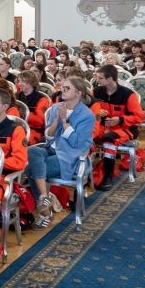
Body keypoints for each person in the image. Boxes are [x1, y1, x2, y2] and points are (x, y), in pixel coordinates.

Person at [25, 77, 95, 228]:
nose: (62, 90)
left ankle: (45, 211)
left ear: (78, 93)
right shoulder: (57, 107)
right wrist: (57, 120)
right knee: (31, 150)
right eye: (62, 87)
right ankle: (45, 198)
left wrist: (65, 121)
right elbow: (49, 136)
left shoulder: (87, 115)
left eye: (67, 88)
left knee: (30, 168)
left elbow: (76, 142)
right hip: (51, 148)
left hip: (70, 155)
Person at [91, 64, 145, 189]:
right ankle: (84, 172)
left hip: (125, 128)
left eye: (100, 78)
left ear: (110, 79)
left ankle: (108, 176)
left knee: (109, 139)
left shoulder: (127, 94)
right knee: (88, 136)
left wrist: (120, 119)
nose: (97, 80)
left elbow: (139, 117)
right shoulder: (96, 91)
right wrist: (97, 111)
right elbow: (89, 110)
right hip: (102, 126)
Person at [16, 70, 51, 143]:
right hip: (16, 128)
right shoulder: (16, 96)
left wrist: (22, 114)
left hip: (33, 131)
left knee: (20, 142)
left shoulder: (41, 99)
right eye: (19, 81)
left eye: (23, 81)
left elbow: (40, 121)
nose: (19, 84)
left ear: (32, 82)